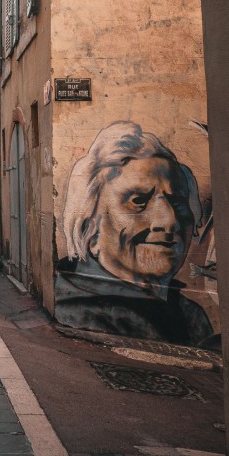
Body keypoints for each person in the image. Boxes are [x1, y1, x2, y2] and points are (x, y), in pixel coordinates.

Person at [55, 121, 212, 345]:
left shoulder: (188, 313)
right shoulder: (85, 313)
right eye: (138, 201)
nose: (168, 220)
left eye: (177, 201)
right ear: (90, 227)